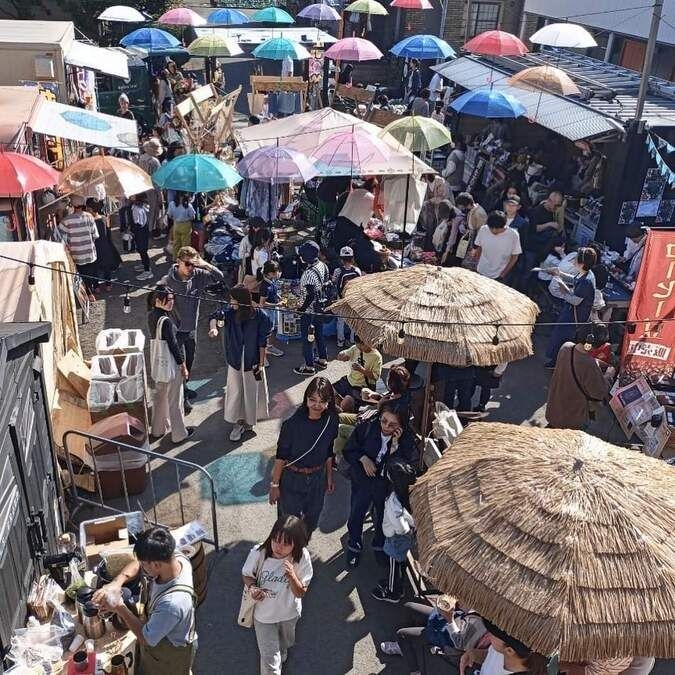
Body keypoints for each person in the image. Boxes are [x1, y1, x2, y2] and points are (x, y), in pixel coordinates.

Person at [94, 526, 196, 675]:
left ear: (156, 564)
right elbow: (137, 564)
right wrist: (117, 582)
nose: (141, 567)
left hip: (169, 655)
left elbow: (146, 638)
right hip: (161, 631)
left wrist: (119, 607)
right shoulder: (176, 559)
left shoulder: (172, 604)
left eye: (144, 565)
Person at [343, 402, 418, 567]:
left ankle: (379, 545)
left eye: (392, 425)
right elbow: (349, 449)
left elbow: (406, 467)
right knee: (357, 512)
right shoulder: (368, 427)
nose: (386, 426)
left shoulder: (406, 439)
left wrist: (395, 447)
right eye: (384, 421)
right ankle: (354, 544)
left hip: (385, 484)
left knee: (382, 516)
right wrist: (363, 459)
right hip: (363, 480)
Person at [242, 516, 313, 675]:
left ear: (296, 543)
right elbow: (246, 575)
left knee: (283, 644)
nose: (279, 547)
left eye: (286, 543)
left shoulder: (302, 557)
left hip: (289, 614)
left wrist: (293, 577)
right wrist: (253, 587)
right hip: (263, 617)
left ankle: (281, 652)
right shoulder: (259, 552)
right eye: (276, 540)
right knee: (271, 666)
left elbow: (300, 593)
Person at [269, 378, 340, 537]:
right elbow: (281, 456)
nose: (316, 405)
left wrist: (329, 477)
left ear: (329, 402)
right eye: (312, 400)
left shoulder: (332, 420)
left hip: (317, 478)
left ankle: (300, 550)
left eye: (322, 401)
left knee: (312, 520)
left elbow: (329, 450)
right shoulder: (291, 424)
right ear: (306, 399)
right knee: (287, 525)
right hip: (292, 479)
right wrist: (274, 485)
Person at [161, 246, 224, 407]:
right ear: (178, 262)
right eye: (187, 264)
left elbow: (219, 277)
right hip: (176, 331)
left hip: (191, 329)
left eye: (193, 264)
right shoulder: (169, 281)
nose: (190, 268)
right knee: (179, 365)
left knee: (189, 362)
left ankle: (184, 387)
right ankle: (182, 399)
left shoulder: (198, 275)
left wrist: (205, 264)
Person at [208, 285, 271, 442]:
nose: (230, 303)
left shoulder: (259, 316)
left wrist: (261, 363)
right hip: (236, 359)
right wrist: (214, 328)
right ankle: (239, 422)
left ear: (241, 300)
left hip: (253, 360)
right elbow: (215, 316)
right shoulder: (231, 313)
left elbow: (263, 342)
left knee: (250, 391)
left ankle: (247, 422)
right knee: (236, 391)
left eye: (233, 300)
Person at [381, 596, 489, 674]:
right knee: (408, 607)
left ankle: (414, 671)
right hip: (454, 619)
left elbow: (459, 643)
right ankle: (405, 647)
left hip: (447, 639)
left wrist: (449, 619)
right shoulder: (488, 611)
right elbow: (465, 611)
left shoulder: (487, 633)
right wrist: (450, 601)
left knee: (402, 634)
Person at [147, 286, 193, 443]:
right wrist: (183, 365)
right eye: (168, 300)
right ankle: (179, 434)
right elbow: (174, 345)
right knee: (175, 400)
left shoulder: (151, 316)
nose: (171, 302)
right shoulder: (166, 321)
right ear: (158, 300)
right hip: (171, 364)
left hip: (159, 364)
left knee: (159, 398)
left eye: (172, 299)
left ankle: (158, 430)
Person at [546, 326, 613, 430]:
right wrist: (609, 374)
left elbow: (580, 356)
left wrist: (593, 361)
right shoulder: (590, 365)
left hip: (554, 409)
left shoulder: (566, 347)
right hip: (571, 420)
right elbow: (599, 393)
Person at [371, 459, 416, 602]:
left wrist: (401, 531)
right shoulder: (406, 496)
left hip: (396, 539)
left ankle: (392, 592)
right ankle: (397, 585)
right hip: (404, 539)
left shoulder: (394, 503)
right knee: (400, 563)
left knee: (394, 566)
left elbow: (401, 526)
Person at [544, 247, 597, 367]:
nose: (573, 261)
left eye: (575, 259)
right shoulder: (586, 274)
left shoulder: (587, 281)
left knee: (562, 338)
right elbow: (574, 280)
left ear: (581, 263)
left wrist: (563, 291)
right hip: (572, 312)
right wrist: (559, 273)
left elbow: (575, 301)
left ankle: (556, 362)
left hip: (575, 315)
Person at [294, 241, 330, 376]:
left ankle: (309, 366)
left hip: (309, 311)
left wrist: (301, 309)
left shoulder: (309, 273)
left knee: (308, 338)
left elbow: (311, 294)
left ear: (305, 257)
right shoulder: (322, 265)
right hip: (320, 308)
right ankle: (322, 359)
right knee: (319, 334)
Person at [460, 621, 548, 675]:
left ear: (509, 650)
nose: (489, 634)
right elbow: (491, 656)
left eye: (495, 634)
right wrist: (474, 654)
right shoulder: (503, 651)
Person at [59, 194, 99, 301]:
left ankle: (88, 294)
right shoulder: (89, 216)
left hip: (77, 253)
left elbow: (61, 239)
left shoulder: (66, 221)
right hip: (90, 251)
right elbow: (95, 235)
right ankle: (92, 291)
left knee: (82, 274)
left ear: (72, 205)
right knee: (90, 273)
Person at [334, 335, 383, 412]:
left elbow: (376, 377)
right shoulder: (355, 348)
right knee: (329, 391)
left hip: (362, 386)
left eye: (361, 347)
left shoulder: (376, 357)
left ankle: (344, 413)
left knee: (347, 402)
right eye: (358, 346)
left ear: (368, 343)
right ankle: (342, 409)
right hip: (349, 380)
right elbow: (346, 354)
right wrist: (342, 356)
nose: (359, 349)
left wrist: (362, 370)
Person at [472, 210, 522, 284]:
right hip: (481, 271)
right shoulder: (483, 229)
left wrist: (504, 273)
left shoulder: (513, 235)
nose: (494, 231)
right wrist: (477, 263)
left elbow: (515, 256)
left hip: (498, 276)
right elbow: (479, 247)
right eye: (491, 228)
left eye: (497, 228)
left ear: (504, 225)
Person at [523, 190, 564, 272]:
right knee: (526, 273)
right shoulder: (538, 211)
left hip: (542, 248)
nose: (557, 208)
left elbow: (560, 228)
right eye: (556, 205)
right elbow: (534, 228)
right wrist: (549, 224)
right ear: (549, 201)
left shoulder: (553, 212)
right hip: (531, 247)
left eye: (559, 206)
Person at [87, 198, 120, 292]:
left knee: (94, 267)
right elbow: (109, 232)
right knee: (107, 267)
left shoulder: (89, 221)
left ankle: (96, 287)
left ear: (90, 209)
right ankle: (108, 285)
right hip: (105, 245)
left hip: (94, 245)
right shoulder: (105, 218)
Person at [332, 246, 362, 348]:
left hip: (341, 299)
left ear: (341, 259)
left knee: (340, 321)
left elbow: (334, 281)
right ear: (352, 258)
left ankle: (340, 341)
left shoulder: (338, 271)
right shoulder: (357, 270)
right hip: (353, 300)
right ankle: (353, 340)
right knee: (353, 321)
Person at [258, 260, 285, 358]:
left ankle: (269, 346)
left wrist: (279, 297)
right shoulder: (265, 286)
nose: (278, 273)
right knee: (268, 331)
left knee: (272, 329)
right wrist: (277, 304)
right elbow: (262, 303)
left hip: (273, 309)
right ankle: (265, 350)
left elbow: (274, 290)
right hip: (268, 312)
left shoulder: (271, 281)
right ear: (270, 273)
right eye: (277, 271)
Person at [131, 194, 153, 281]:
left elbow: (138, 223)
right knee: (142, 250)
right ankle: (144, 265)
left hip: (140, 231)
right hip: (144, 230)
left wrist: (132, 231)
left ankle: (147, 271)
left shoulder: (137, 209)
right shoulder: (142, 206)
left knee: (142, 250)